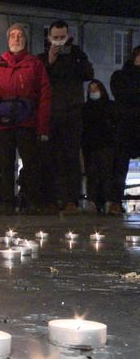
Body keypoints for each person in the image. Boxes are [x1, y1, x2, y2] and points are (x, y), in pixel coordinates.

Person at [0, 23, 51, 215]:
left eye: (20, 35)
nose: (16, 38)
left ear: (25, 40)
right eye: (13, 35)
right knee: (5, 164)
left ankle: (31, 200)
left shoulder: (34, 65)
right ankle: (7, 202)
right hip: (3, 122)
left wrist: (42, 126)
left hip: (26, 121)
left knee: (30, 163)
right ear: (8, 40)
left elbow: (44, 96)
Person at [38, 20, 94, 214]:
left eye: (63, 37)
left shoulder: (77, 54)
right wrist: (50, 62)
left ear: (68, 37)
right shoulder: (43, 57)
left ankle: (72, 200)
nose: (59, 42)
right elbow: (38, 80)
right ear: (49, 38)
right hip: (52, 114)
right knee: (50, 158)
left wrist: (75, 58)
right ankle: (51, 200)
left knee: (71, 157)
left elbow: (88, 74)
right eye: (56, 38)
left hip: (72, 113)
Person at [109, 46, 140, 215]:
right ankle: (115, 201)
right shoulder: (121, 76)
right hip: (126, 125)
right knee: (120, 165)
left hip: (130, 122)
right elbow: (122, 95)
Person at [82, 80, 117, 214]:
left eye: (95, 88)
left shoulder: (109, 107)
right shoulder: (86, 108)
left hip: (106, 145)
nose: (93, 92)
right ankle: (93, 201)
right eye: (91, 89)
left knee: (106, 174)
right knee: (92, 174)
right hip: (91, 146)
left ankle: (107, 201)